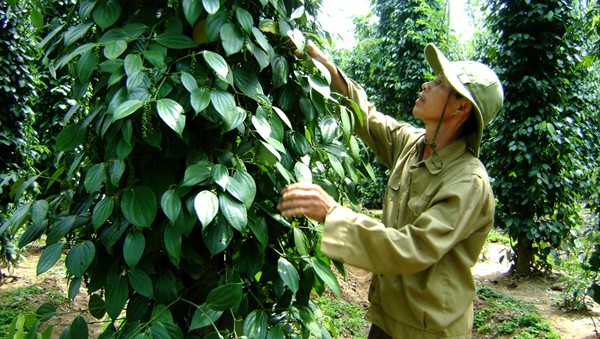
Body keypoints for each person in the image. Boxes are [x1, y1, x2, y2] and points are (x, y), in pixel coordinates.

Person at [277, 40, 504, 338]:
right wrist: (325, 65)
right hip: (388, 316)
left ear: (461, 107)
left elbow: (412, 248)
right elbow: (367, 117)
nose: (425, 85)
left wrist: (333, 214)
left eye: (438, 83)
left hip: (428, 330)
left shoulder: (467, 182)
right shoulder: (412, 145)